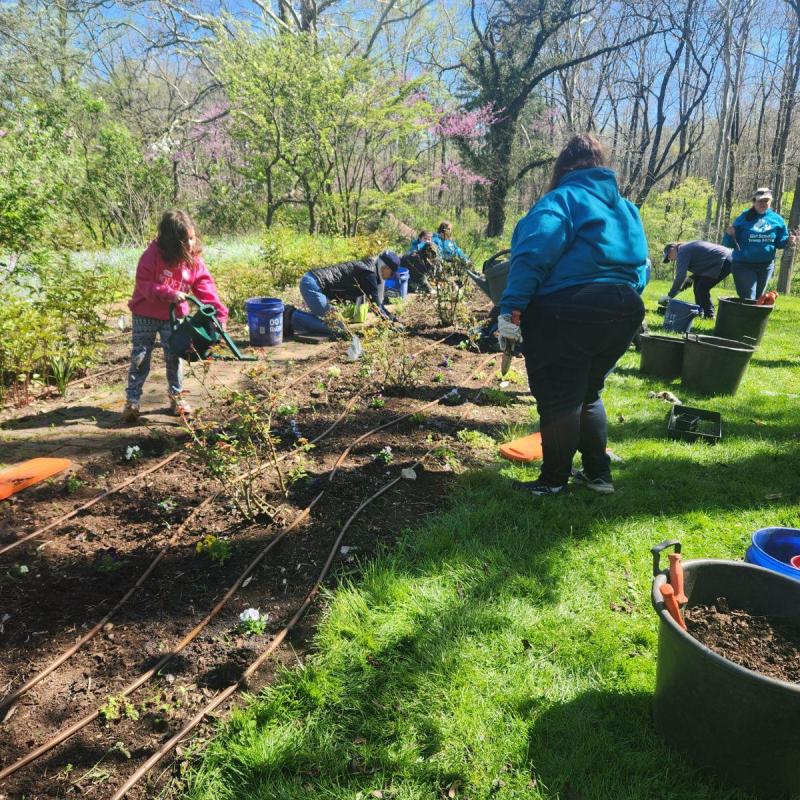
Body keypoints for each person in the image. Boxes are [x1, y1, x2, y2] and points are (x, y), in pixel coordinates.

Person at [497, 133, 648, 497]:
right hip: (624, 307)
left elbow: (533, 254)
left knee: (559, 397)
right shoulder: (626, 209)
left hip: (569, 308)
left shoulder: (562, 200)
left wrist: (511, 308)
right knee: (589, 391)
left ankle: (552, 482)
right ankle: (598, 475)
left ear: (563, 167)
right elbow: (641, 267)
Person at [123, 210, 228, 423]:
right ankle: (132, 400)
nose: (190, 243)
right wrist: (168, 293)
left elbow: (205, 287)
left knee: (175, 355)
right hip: (146, 313)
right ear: (172, 242)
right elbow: (144, 283)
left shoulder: (194, 260)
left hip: (175, 316)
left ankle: (177, 397)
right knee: (140, 356)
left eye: (192, 237)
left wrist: (219, 315)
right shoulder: (151, 255)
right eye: (185, 240)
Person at [286, 251, 401, 338]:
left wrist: (393, 319)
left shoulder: (371, 268)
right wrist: (390, 326)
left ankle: (297, 317)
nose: (390, 277)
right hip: (313, 285)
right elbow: (376, 306)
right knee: (338, 329)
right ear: (386, 268)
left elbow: (377, 305)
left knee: (333, 322)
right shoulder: (369, 274)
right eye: (391, 274)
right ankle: (292, 315)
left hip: (314, 282)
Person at [722, 187, 796, 300]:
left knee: (759, 299)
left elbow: (780, 243)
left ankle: (752, 318)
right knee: (748, 298)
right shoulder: (744, 218)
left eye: (766, 201)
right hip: (743, 265)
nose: (763, 203)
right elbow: (729, 243)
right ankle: (744, 317)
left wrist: (789, 241)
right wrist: (728, 234)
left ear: (770, 202)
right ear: (754, 201)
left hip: (766, 266)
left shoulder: (777, 220)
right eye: (760, 201)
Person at [660, 240, 733, 319]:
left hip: (725, 259)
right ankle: (700, 311)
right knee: (698, 284)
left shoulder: (682, 251)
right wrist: (692, 277)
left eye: (669, 256)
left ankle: (709, 315)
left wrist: (670, 295)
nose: (671, 259)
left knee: (702, 287)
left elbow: (680, 276)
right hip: (723, 259)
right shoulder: (685, 248)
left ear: (672, 249)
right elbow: (703, 264)